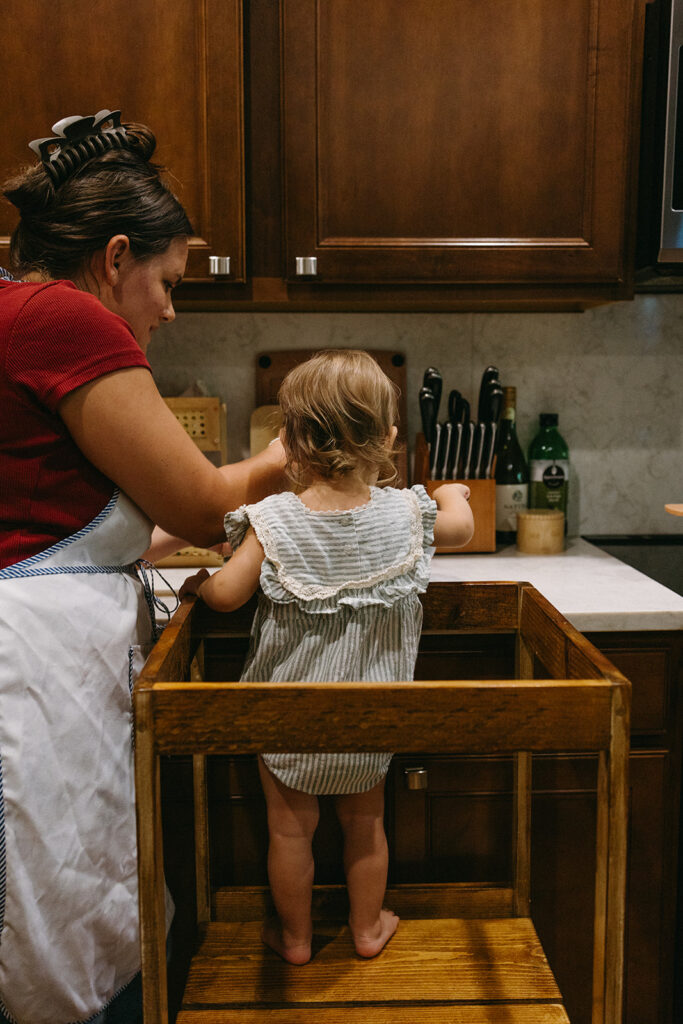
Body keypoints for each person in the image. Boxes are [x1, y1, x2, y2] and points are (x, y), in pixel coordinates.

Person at [0, 110, 285, 1024]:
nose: (170, 307)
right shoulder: (65, 319)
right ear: (115, 257)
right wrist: (288, 459)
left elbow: (79, 531)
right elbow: (198, 504)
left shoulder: (16, 313)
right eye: (165, 281)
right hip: (35, 681)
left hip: (43, 653)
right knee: (52, 941)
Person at [181, 350, 474, 965]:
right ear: (389, 438)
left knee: (291, 833)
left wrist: (198, 586)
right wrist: (453, 491)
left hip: (284, 720)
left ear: (287, 441)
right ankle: (367, 930)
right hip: (372, 718)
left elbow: (229, 596)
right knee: (366, 827)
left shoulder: (274, 520)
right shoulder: (407, 514)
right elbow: (462, 529)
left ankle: (295, 940)